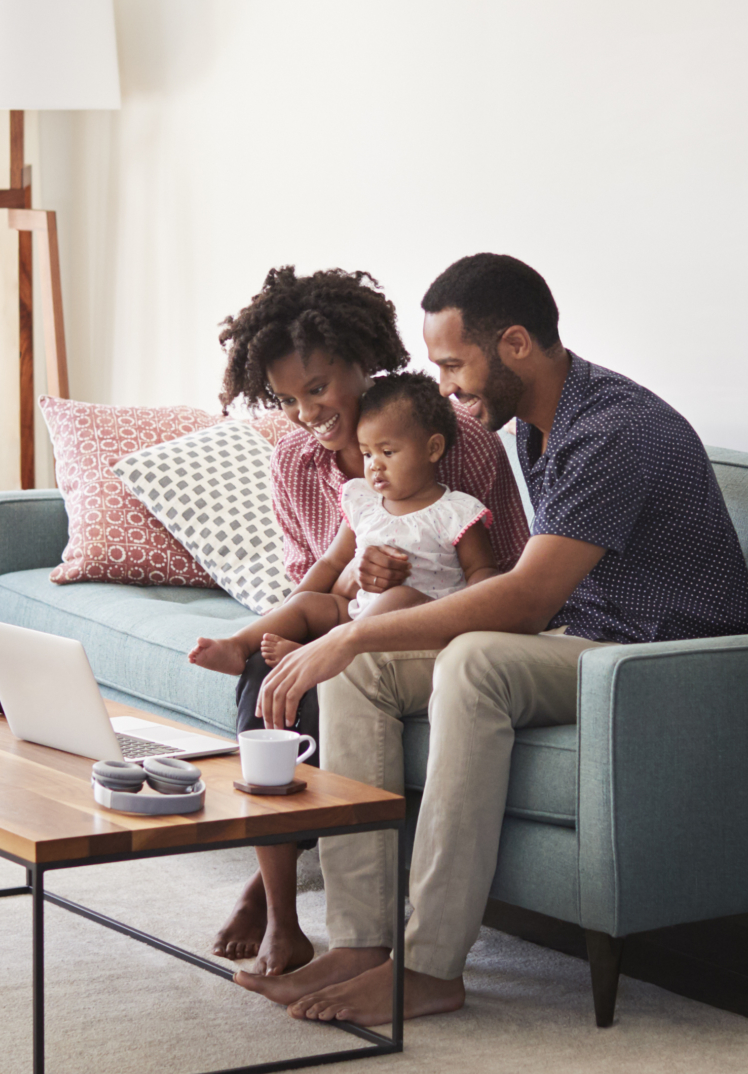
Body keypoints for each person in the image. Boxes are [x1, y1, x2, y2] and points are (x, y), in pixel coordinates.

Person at [239, 253, 748, 1025]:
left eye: (453, 364)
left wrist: (345, 637)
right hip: (587, 640)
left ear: (514, 344)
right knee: (359, 672)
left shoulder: (612, 430)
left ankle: (429, 969)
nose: (445, 386)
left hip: (661, 659)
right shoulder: (541, 427)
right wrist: (353, 640)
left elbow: (523, 599)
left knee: (471, 661)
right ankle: (361, 943)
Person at [205, 268, 530, 976]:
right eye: (288, 399)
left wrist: (387, 591)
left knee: (326, 670)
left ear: (362, 362)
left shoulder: (456, 441)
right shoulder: (293, 459)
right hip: (344, 614)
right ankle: (283, 919)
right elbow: (314, 578)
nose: (306, 414)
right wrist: (351, 586)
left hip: (434, 622)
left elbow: (500, 574)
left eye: (318, 390)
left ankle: (274, 888)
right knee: (269, 674)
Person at [190, 372, 500, 675]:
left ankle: (319, 652)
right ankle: (238, 645)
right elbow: (331, 562)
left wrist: (472, 614)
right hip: (358, 613)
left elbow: (481, 572)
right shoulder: (364, 501)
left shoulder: (456, 511)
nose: (374, 464)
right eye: (367, 454)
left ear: (433, 449)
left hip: (422, 623)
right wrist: (293, 606)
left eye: (387, 452)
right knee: (310, 603)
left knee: (400, 597)